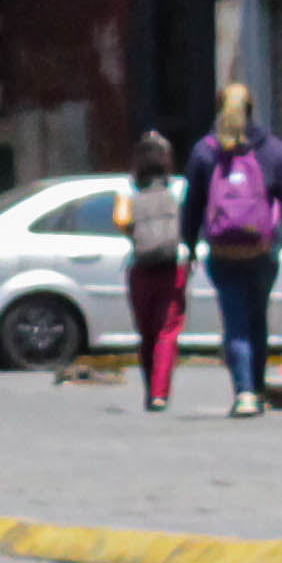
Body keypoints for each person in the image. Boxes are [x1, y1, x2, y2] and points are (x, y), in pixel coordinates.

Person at [180, 83, 282, 417]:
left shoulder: (205, 151)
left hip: (223, 254)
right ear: (252, 109)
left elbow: (191, 205)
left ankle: (245, 393)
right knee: (257, 322)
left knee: (235, 323)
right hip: (262, 252)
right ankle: (259, 390)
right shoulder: (272, 150)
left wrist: (189, 246)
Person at [114, 127, 189, 411]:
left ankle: (150, 389)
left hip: (140, 267)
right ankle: (160, 393)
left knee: (146, 332)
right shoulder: (178, 188)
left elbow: (120, 221)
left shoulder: (127, 189)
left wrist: (138, 231)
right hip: (173, 266)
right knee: (167, 332)